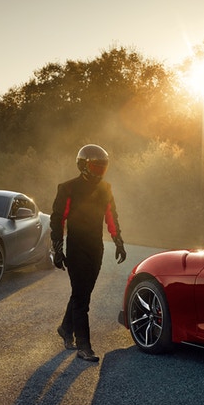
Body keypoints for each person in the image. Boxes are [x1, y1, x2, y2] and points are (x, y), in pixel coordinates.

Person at [50, 143, 127, 362]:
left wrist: (118, 240)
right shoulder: (68, 188)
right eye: (95, 167)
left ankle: (66, 328)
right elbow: (58, 219)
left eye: (102, 168)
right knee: (82, 298)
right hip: (76, 247)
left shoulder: (106, 188)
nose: (99, 172)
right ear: (83, 165)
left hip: (96, 248)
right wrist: (57, 248)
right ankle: (84, 346)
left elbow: (111, 215)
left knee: (82, 292)